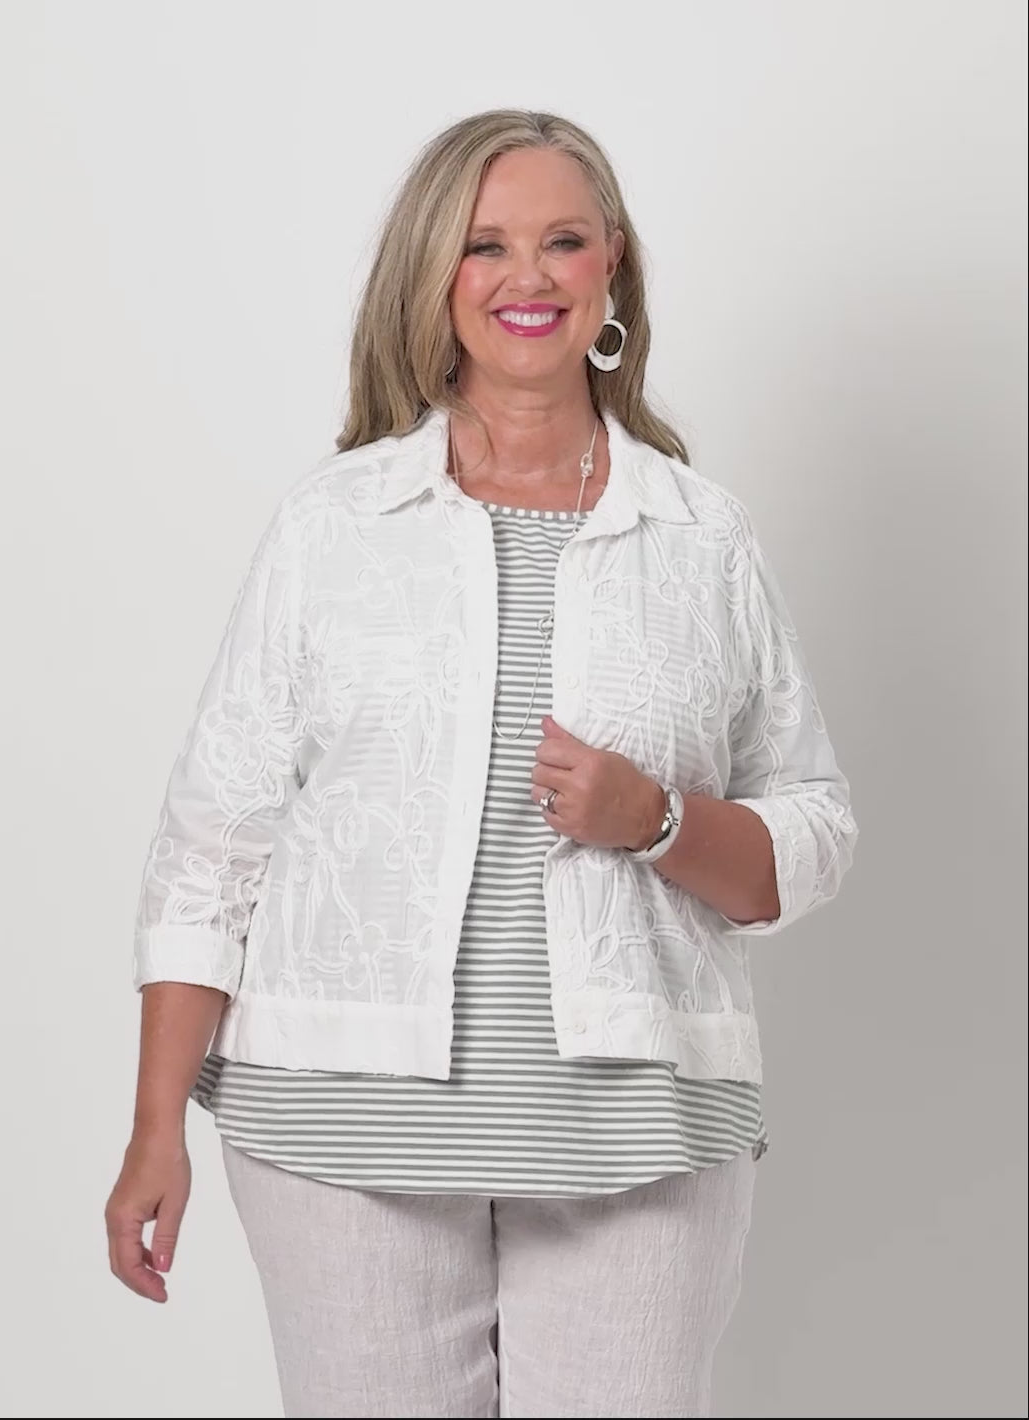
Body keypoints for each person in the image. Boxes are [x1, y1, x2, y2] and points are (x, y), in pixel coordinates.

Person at [105, 108, 858, 1419]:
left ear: (611, 266)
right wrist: (153, 1125)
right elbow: (214, 842)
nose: (528, 276)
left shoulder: (703, 539)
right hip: (340, 1131)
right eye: (486, 244)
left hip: (639, 1134)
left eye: (563, 241)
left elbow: (810, 833)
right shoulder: (336, 527)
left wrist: (658, 819)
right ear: (434, 274)